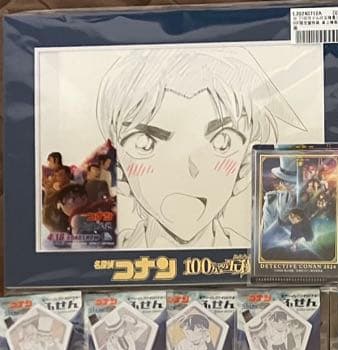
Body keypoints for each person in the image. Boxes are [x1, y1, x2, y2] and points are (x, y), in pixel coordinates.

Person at [97, 47, 303, 248]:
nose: (185, 170)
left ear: (245, 167)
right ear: (119, 169)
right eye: (145, 143)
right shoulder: (97, 257)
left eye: (222, 142)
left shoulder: (254, 255)